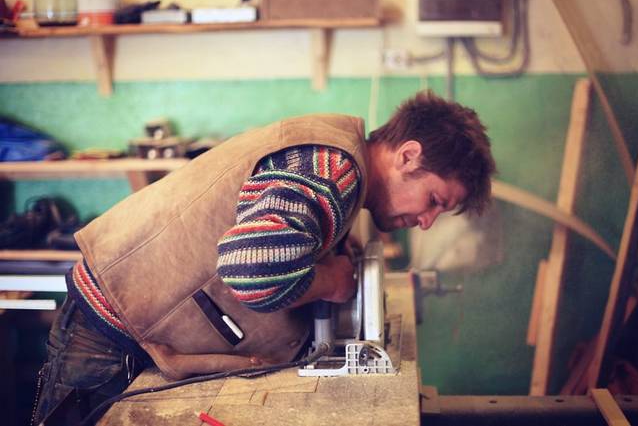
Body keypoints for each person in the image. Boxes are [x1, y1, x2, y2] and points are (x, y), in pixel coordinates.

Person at [32, 90, 495, 425]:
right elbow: (251, 270)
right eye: (434, 199)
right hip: (109, 329)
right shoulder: (335, 171)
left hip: (125, 319)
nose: (429, 219)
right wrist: (330, 282)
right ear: (408, 156)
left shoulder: (335, 154)